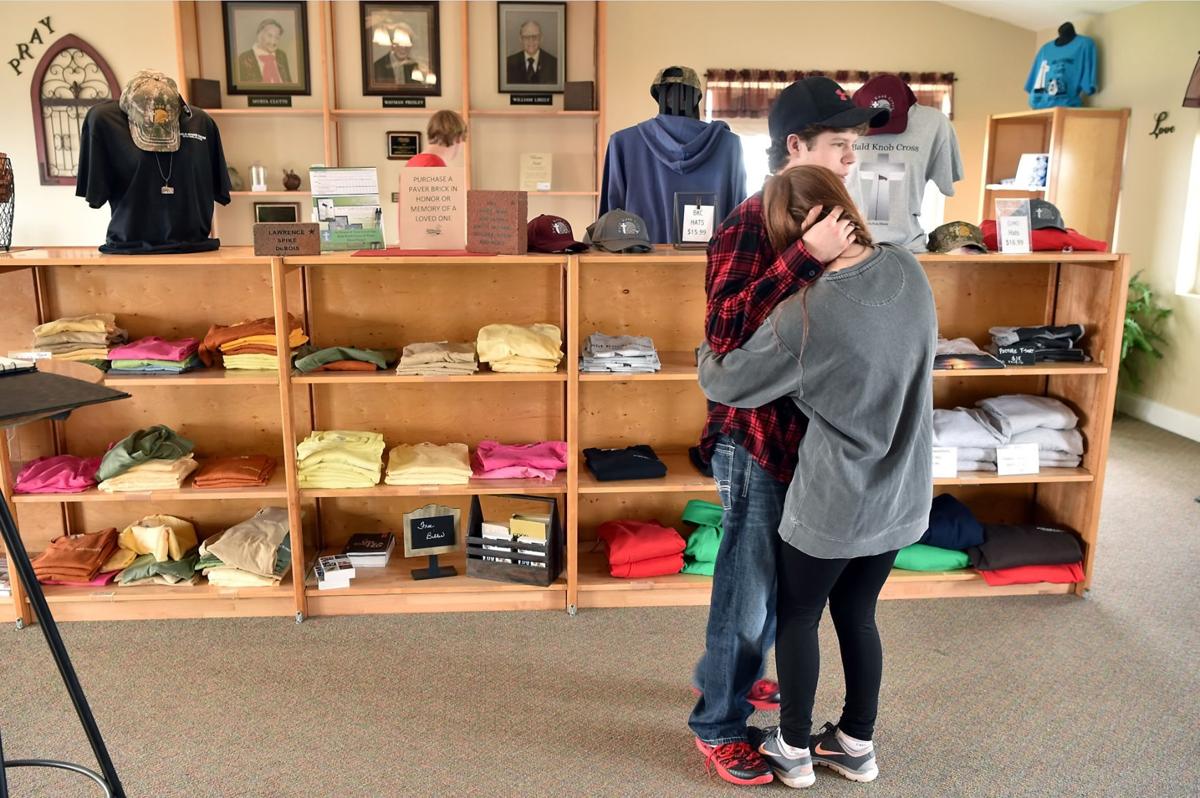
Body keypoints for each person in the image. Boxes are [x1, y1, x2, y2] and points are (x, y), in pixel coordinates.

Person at [698, 165, 935, 788]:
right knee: (858, 615)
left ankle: (794, 749)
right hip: (903, 492)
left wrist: (705, 349)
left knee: (799, 614)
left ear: (799, 231)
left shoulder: (805, 314)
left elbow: (723, 378)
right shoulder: (909, 269)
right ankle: (856, 744)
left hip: (835, 498)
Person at [688, 76, 888, 787]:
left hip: (810, 442)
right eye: (839, 145)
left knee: (779, 585)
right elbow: (722, 334)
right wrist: (804, 256)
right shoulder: (749, 222)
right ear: (796, 146)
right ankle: (718, 722)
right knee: (747, 590)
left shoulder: (829, 218)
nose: (851, 160)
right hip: (755, 439)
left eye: (854, 146)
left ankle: (729, 678)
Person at [237, 18, 291, 85]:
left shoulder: (282, 55)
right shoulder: (244, 58)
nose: (273, 41)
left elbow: (289, 83)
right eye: (269, 36)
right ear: (259, 35)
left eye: (277, 37)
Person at [505, 20, 557, 85]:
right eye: (526, 37)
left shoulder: (554, 64)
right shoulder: (508, 63)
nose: (531, 41)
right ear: (520, 39)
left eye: (535, 36)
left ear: (541, 38)